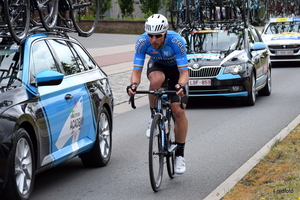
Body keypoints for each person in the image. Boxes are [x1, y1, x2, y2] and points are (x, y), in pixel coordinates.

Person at [126, 14, 189, 174]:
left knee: (178, 111)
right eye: (150, 35)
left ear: (165, 33)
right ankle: (153, 115)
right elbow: (136, 71)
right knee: (155, 81)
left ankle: (180, 155)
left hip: (176, 71)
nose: (153, 40)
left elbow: (184, 74)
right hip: (158, 66)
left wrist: (181, 86)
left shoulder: (176, 42)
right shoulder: (142, 42)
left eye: (158, 36)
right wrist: (133, 85)